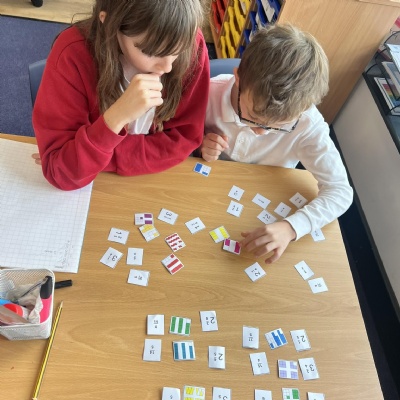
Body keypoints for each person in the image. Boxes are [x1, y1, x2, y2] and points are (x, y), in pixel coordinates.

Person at [201, 23, 353, 264]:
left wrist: (292, 227)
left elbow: (341, 191)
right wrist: (198, 144)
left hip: (261, 203)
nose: (261, 131)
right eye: (252, 116)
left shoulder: (307, 123)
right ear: (238, 78)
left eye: (280, 126)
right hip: (208, 193)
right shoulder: (206, 94)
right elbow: (170, 133)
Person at [33, 0, 209, 191]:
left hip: (149, 182)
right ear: (109, 24)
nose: (167, 67)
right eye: (151, 52)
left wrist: (98, 156)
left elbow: (185, 138)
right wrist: (116, 117)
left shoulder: (190, 39)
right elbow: (60, 173)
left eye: (178, 51)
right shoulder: (72, 54)